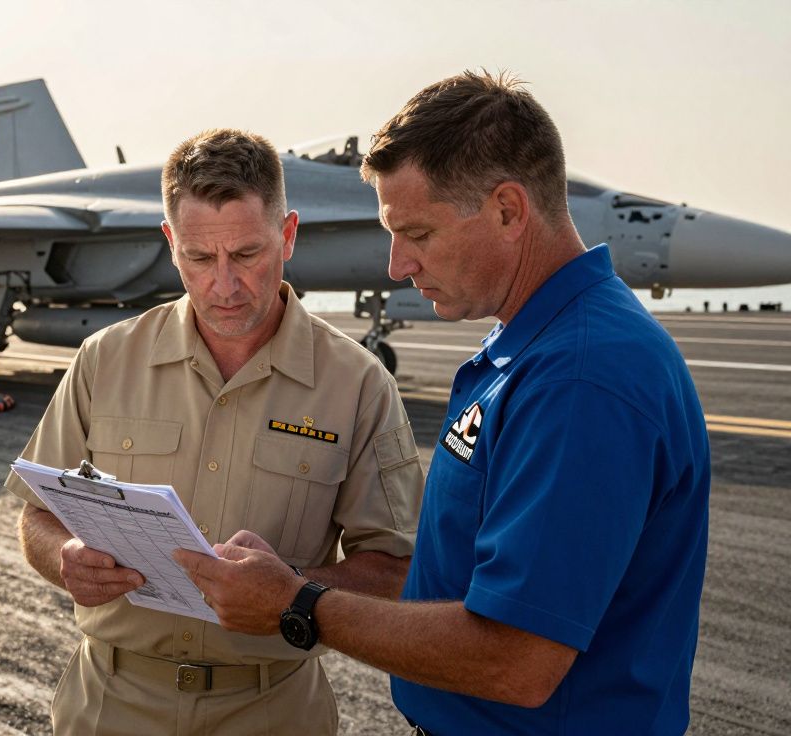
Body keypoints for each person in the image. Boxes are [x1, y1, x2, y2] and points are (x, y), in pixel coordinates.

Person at [175, 72, 710, 735]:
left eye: (418, 233)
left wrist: (299, 604)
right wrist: (290, 579)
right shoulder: (530, 345)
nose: (397, 264)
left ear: (509, 211)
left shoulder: (580, 378)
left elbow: (517, 661)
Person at [5, 128, 424, 735]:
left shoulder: (358, 385)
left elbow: (394, 569)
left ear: (288, 236)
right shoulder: (104, 359)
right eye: (199, 259)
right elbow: (38, 515)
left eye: (248, 254)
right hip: (109, 705)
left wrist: (291, 593)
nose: (224, 285)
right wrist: (64, 558)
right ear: (171, 243)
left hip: (272, 712)